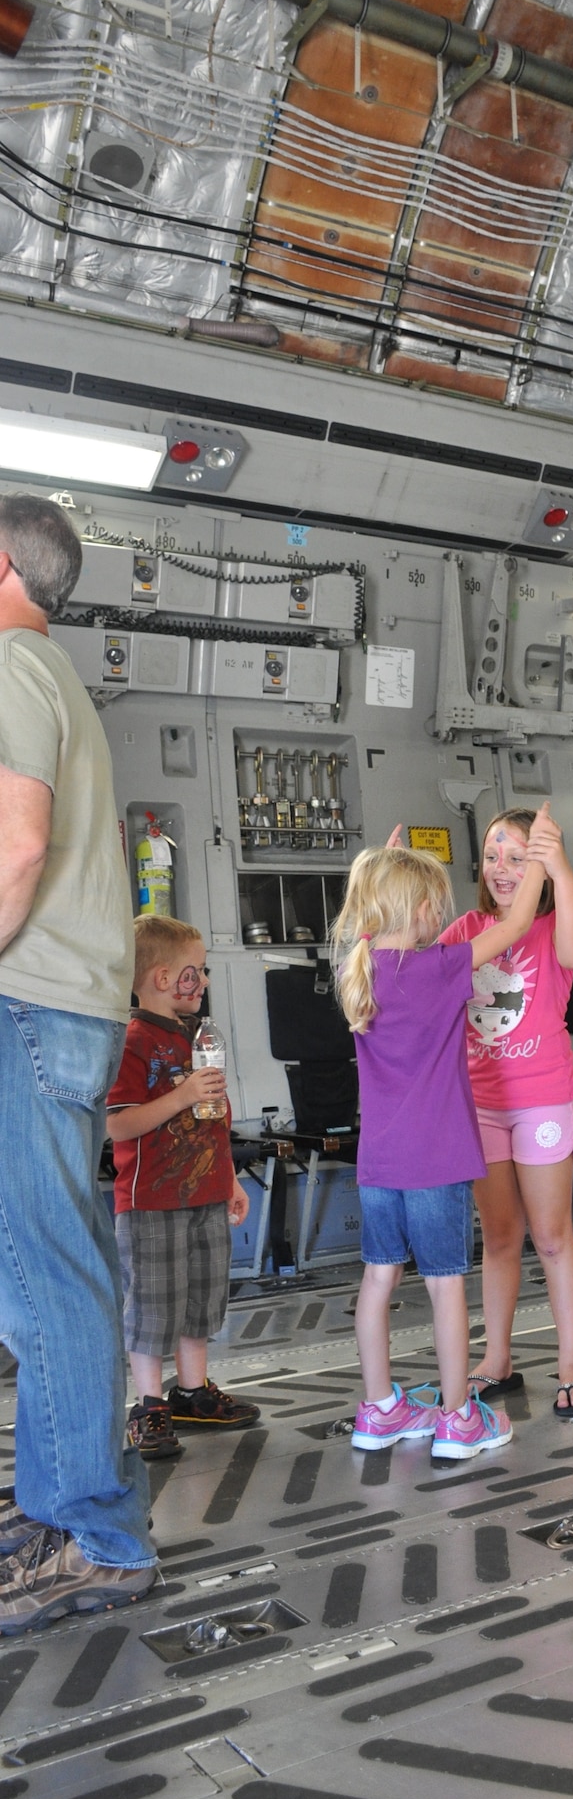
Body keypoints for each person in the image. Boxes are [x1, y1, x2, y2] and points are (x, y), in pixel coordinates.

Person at [0, 492, 157, 1630]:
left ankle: (90, 1528)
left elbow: (16, 846)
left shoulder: (11, 665)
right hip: (68, 1007)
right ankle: (68, 1507)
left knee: (46, 1266)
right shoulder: (63, 687)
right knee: (51, 1262)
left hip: (26, 1000)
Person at [332, 815, 551, 1460]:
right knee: (445, 1283)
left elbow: (380, 910)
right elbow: (514, 926)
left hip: (378, 1164)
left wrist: (390, 864)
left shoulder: (363, 967)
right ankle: (458, 1417)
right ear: (426, 909)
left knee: (378, 1281)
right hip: (438, 1157)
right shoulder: (439, 966)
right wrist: (534, 858)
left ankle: (378, 1410)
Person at [445, 808, 573, 1419]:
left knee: (554, 1236)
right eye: (492, 857)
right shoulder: (467, 928)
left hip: (541, 1103)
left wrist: (559, 868)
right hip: (481, 1108)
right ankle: (497, 1358)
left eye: (517, 857)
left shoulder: (554, 924)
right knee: (500, 1238)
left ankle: (570, 1360)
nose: (501, 869)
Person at [107, 916, 257, 1461]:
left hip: (205, 1194)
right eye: (198, 973)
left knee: (200, 1298)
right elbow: (117, 1124)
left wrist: (231, 1178)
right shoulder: (133, 1039)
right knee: (153, 1306)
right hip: (152, 1203)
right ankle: (148, 1406)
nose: (205, 983)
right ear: (167, 977)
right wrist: (182, 1095)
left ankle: (193, 1392)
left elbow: (211, 1118)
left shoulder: (196, 1035)